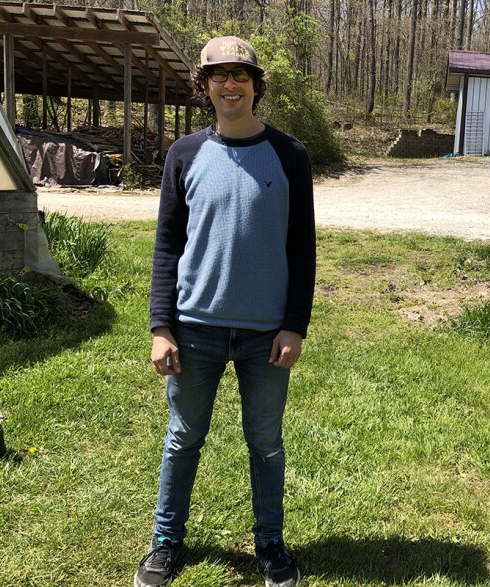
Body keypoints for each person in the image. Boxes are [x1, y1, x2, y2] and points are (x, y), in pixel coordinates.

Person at [134, 35, 315, 587]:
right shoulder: (184, 154)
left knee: (265, 442)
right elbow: (168, 245)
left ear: (257, 86)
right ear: (205, 86)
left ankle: (270, 543)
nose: (230, 84)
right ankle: (165, 542)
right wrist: (161, 326)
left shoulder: (289, 154)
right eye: (219, 75)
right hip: (196, 331)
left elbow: (301, 247)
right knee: (183, 439)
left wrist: (294, 324)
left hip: (266, 336)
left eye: (241, 75)